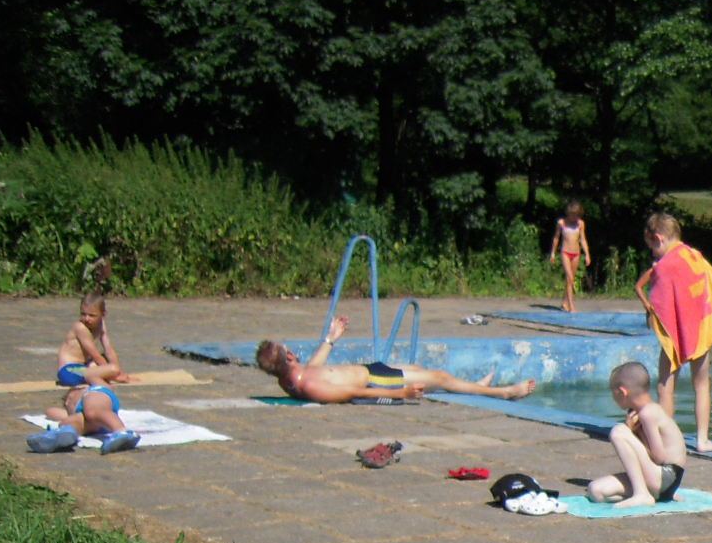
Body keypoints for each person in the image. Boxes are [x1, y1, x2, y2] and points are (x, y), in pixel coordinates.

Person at [635, 212, 712, 451]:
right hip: (701, 329)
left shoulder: (665, 265)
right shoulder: (696, 256)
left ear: (658, 238)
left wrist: (654, 318)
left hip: (676, 333)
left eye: (652, 247)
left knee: (665, 385)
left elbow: (660, 303)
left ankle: (667, 439)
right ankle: (702, 440)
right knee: (702, 384)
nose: (653, 253)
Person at [254, 315, 537, 403]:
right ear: (289, 356)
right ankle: (503, 393)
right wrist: (401, 394)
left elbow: (314, 368)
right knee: (439, 378)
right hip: (375, 380)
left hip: (371, 371)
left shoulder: (292, 378)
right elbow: (353, 393)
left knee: (418, 369)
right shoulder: (311, 386)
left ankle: (472, 387)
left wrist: (330, 338)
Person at [587, 361, 687, 508]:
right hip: (656, 479)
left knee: (618, 432)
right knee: (595, 491)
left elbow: (659, 457)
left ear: (622, 392)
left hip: (665, 477)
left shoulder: (648, 413)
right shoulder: (639, 414)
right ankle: (648, 494)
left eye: (613, 393)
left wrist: (630, 433)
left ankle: (642, 494)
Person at [27, 382, 139, 454]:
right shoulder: (74, 412)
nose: (67, 403)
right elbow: (51, 412)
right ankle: (64, 435)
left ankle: (122, 431)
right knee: (70, 422)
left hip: (96, 395)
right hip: (96, 425)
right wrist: (65, 421)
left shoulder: (89, 390)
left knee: (93, 411)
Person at [54, 291, 134, 388]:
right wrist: (115, 374)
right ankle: (100, 382)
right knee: (110, 368)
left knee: (107, 362)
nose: (87, 319)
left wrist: (119, 371)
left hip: (83, 367)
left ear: (103, 314)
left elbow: (109, 349)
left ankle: (96, 378)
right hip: (68, 371)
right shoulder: (80, 328)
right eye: (83, 314)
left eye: (92, 315)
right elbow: (95, 355)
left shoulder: (101, 325)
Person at [548, 201, 592, 313]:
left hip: (576, 253)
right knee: (570, 278)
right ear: (568, 213)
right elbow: (556, 238)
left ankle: (564, 302)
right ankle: (571, 306)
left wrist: (587, 254)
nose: (574, 217)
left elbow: (583, 239)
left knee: (570, 280)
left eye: (577, 215)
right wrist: (553, 253)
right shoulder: (561, 223)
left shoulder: (580, 224)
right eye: (572, 215)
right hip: (565, 252)